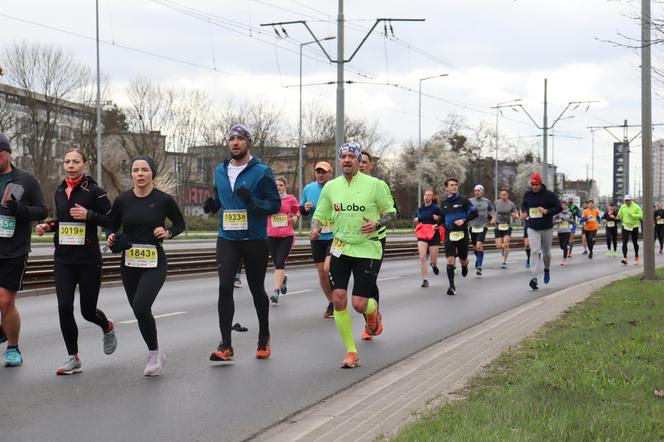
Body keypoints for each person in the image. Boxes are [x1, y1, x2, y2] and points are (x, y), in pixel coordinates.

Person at [310, 142, 395, 368]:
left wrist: (377, 222)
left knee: (359, 304)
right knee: (339, 299)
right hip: (340, 246)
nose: (347, 160)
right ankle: (351, 351)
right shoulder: (331, 187)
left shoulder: (375, 185)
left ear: (359, 161)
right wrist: (316, 227)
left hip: (367, 248)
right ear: (339, 161)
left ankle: (373, 312)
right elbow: (320, 214)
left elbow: (390, 213)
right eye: (343, 156)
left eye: (351, 156)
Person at [35, 148, 117, 375]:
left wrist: (90, 215)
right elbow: (62, 220)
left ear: (85, 165)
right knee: (64, 306)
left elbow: (112, 220)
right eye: (67, 161)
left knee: (87, 311)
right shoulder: (60, 190)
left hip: (88, 259)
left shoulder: (95, 192)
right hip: (63, 258)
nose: (70, 165)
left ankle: (107, 326)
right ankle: (73, 357)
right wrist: (47, 226)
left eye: (75, 162)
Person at [204, 124, 280, 362]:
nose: (235, 142)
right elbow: (220, 195)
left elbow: (274, 205)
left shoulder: (262, 171)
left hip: (255, 239)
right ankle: (226, 345)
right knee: (225, 286)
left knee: (257, 289)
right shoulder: (220, 170)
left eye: (240, 138)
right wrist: (213, 204)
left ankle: (264, 337)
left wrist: (253, 201)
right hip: (227, 238)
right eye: (231, 139)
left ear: (248, 142)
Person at [107, 155, 185, 376]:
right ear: (131, 174)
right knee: (140, 311)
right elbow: (111, 226)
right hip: (129, 261)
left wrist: (168, 232)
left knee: (141, 306)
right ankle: (156, 352)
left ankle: (152, 353)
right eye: (135, 170)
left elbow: (180, 224)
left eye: (144, 170)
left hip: (154, 262)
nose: (140, 174)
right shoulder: (123, 200)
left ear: (152, 174)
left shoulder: (163, 200)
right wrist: (111, 236)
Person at [0, 133, 47, 367]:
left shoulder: (26, 180)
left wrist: (20, 209)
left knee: (6, 301)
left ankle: (13, 347)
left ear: (8, 153)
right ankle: (3, 329)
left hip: (14, 250)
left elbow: (42, 211)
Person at [359, 151, 396, 341]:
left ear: (371, 165)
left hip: (375, 240)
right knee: (357, 285)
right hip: (354, 242)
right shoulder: (347, 185)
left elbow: (390, 212)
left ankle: (371, 319)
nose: (361, 165)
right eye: (358, 162)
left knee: (369, 282)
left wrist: (377, 223)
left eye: (364, 162)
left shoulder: (379, 185)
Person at [300, 161, 335, 318]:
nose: (321, 175)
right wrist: (305, 208)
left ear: (330, 173)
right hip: (317, 235)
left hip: (334, 235)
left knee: (328, 268)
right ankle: (332, 302)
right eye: (318, 172)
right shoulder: (308, 188)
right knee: (321, 272)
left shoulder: (336, 187)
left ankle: (338, 295)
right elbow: (302, 210)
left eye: (324, 172)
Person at [520, 173, 562, 290]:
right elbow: (524, 205)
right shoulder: (528, 195)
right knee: (534, 251)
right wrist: (524, 213)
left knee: (546, 253)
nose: (534, 187)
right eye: (532, 185)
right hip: (532, 227)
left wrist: (547, 211)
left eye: (536, 184)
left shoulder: (549, 195)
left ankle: (546, 269)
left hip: (547, 228)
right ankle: (534, 277)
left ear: (540, 183)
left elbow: (558, 207)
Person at [439, 178, 477, 296]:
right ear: (447, 188)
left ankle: (464, 265)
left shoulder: (464, 200)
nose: (454, 187)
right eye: (452, 185)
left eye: (456, 185)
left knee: (462, 258)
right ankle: (452, 286)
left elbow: (474, 213)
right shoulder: (444, 203)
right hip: (449, 234)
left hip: (462, 233)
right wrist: (436, 225)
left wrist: (464, 220)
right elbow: (442, 217)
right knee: (450, 260)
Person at [267, 176, 300, 304]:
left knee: (280, 262)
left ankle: (276, 291)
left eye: (281, 185)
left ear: (285, 186)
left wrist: (296, 217)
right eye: (276, 185)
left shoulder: (290, 199)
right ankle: (283, 278)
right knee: (276, 264)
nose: (278, 187)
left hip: (287, 236)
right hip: (271, 236)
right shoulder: (269, 199)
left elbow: (297, 210)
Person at [415, 190, 442, 288]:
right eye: (425, 195)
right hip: (422, 233)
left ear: (432, 197)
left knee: (433, 259)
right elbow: (417, 219)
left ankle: (433, 265)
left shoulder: (436, 208)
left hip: (434, 234)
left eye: (429, 195)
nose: (426, 197)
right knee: (422, 257)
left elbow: (443, 218)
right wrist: (416, 220)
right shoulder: (420, 209)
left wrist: (437, 219)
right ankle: (425, 279)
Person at [468, 184, 493, 276]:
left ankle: (479, 267)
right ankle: (478, 259)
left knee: (479, 246)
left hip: (483, 226)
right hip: (472, 226)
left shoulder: (487, 201)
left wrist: (492, 218)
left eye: (479, 191)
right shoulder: (470, 201)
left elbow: (491, 210)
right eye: (475, 191)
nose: (477, 192)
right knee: (475, 247)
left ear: (482, 192)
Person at [492, 189, 518, 269]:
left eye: (505, 195)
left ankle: (504, 261)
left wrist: (515, 216)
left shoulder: (511, 204)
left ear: (507, 195)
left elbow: (515, 213)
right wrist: (493, 218)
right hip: (498, 226)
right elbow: (493, 212)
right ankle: (503, 248)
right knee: (499, 246)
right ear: (500, 195)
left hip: (507, 226)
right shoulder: (496, 203)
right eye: (502, 194)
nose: (503, 196)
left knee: (506, 244)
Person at [616, 195, 643, 265]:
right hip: (625, 226)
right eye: (626, 200)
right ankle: (625, 258)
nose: (627, 202)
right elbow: (620, 215)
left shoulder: (636, 206)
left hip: (634, 226)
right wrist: (618, 217)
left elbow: (641, 215)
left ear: (631, 200)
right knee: (624, 242)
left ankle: (636, 257)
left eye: (628, 200)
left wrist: (633, 215)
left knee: (635, 242)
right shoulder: (622, 206)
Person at [553, 201, 574, 265]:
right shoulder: (558, 214)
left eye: (565, 205)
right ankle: (566, 248)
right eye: (562, 205)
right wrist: (558, 221)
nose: (564, 206)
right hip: (560, 231)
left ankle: (564, 260)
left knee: (564, 245)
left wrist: (569, 220)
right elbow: (553, 222)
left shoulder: (570, 213)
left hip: (567, 231)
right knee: (562, 246)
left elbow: (573, 221)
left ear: (567, 206)